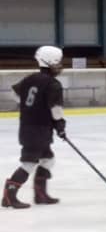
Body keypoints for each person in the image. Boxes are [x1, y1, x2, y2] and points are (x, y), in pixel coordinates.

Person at [2, 46, 66, 209]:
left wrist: (29, 106)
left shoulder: (30, 78)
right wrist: (60, 125)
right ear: (51, 62)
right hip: (39, 129)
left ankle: (40, 194)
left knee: (48, 159)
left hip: (29, 127)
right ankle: (9, 195)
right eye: (58, 62)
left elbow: (15, 93)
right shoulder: (53, 84)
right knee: (29, 163)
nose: (60, 65)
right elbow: (56, 110)